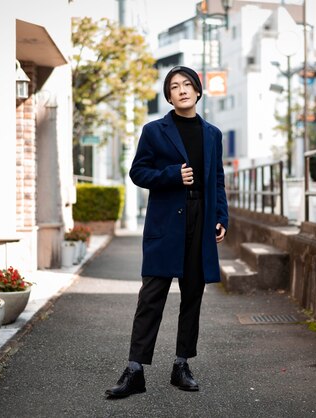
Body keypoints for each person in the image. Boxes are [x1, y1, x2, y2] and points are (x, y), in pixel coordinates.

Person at [105, 65, 229, 398]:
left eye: (188, 84)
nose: (182, 90)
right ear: (169, 95)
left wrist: (221, 217)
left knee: (193, 295)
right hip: (165, 221)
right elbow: (138, 172)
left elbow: (217, 179)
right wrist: (173, 175)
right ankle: (134, 370)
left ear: (198, 91)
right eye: (174, 86)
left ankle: (181, 365)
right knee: (151, 296)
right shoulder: (154, 131)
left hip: (200, 220)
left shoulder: (213, 134)